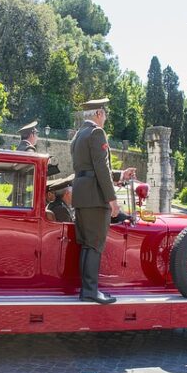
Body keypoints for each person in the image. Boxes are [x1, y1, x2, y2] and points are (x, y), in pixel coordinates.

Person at [71, 97, 135, 304]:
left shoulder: (78, 135)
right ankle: (90, 291)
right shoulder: (97, 133)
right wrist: (112, 199)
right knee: (95, 245)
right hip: (95, 197)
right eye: (105, 114)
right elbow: (100, 167)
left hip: (81, 195)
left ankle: (87, 289)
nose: (105, 118)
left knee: (87, 244)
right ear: (98, 113)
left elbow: (89, 168)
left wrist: (120, 175)